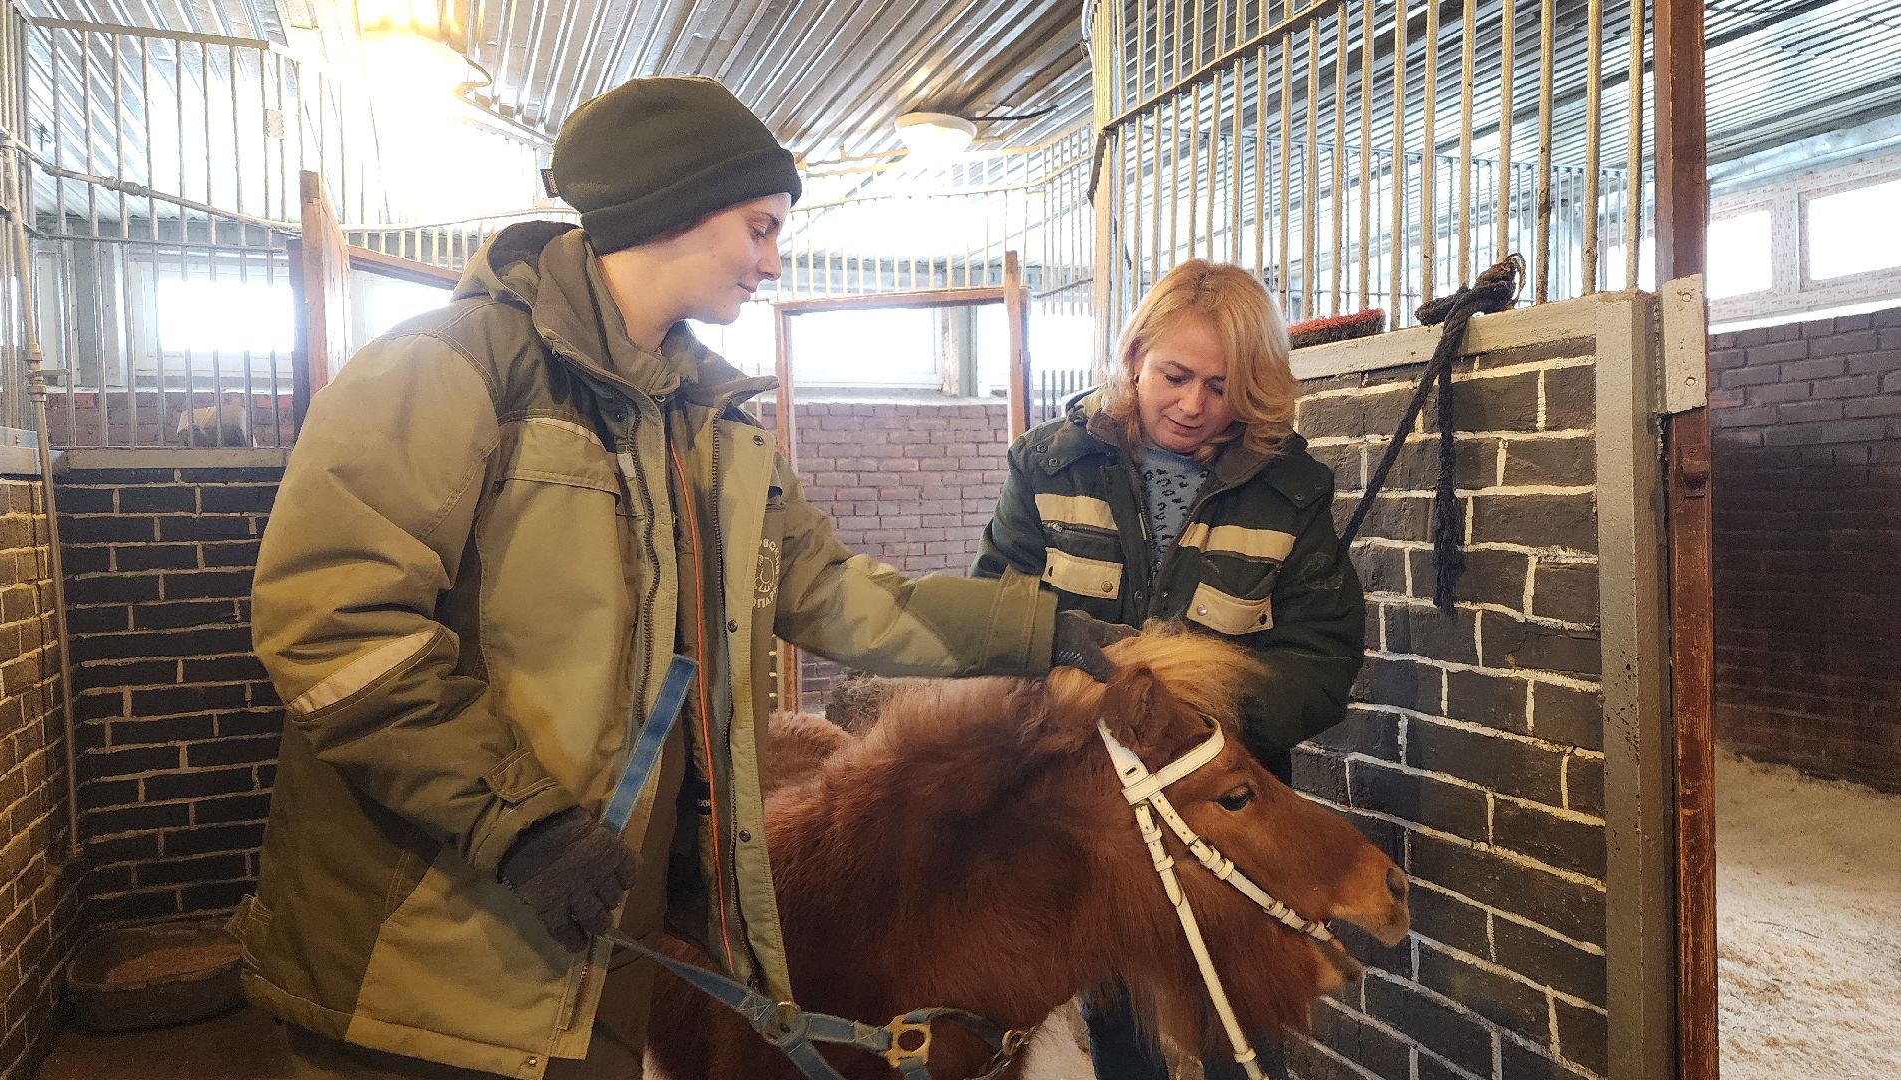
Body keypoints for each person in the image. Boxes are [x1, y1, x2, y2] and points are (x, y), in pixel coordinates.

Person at [235, 76, 1126, 1080]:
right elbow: (335, 627)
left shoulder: (712, 428)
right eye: (757, 226)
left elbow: (839, 592)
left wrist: (1040, 630)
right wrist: (518, 819)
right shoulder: (446, 368)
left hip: (600, 940)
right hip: (432, 952)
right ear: (670, 209)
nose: (771, 260)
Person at [972, 259, 1366, 1080]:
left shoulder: (1291, 493)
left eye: (1220, 386)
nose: (1192, 405)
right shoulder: (1047, 467)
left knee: (1235, 999)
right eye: (1174, 376)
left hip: (1219, 801)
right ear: (1133, 361)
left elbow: (1322, 655)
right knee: (1117, 999)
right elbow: (997, 616)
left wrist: (1193, 729)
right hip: (1091, 797)